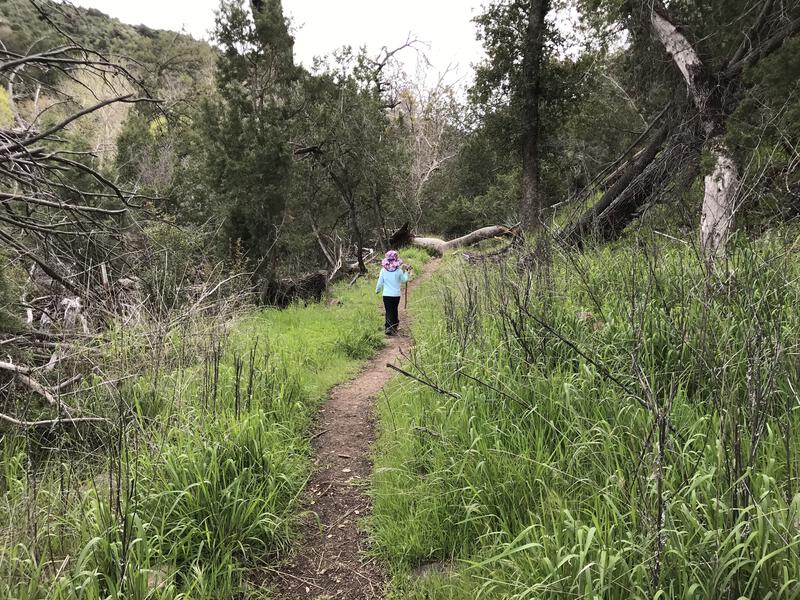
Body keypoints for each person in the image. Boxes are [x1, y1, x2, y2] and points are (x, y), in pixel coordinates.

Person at [375, 250, 412, 335]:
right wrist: (406, 272)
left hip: (386, 295)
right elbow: (404, 280)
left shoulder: (383, 270)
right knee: (394, 309)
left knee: (388, 310)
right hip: (396, 295)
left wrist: (377, 290)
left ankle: (388, 327)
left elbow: (380, 282)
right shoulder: (398, 270)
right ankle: (394, 326)